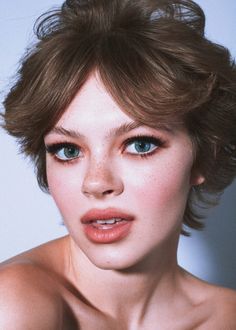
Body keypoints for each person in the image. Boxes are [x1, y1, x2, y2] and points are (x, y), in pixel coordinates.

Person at [1, 0, 236, 328]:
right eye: (68, 150)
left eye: (140, 145)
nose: (95, 183)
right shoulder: (12, 305)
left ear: (204, 158)